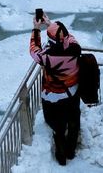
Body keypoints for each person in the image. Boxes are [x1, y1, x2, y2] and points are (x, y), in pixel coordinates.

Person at [29, 13, 81, 166]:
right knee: (73, 123)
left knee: (59, 128)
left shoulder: (47, 57)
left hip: (54, 97)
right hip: (72, 92)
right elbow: (68, 37)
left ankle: (61, 156)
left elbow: (34, 50)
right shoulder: (75, 49)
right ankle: (71, 151)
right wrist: (51, 25)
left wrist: (36, 29)